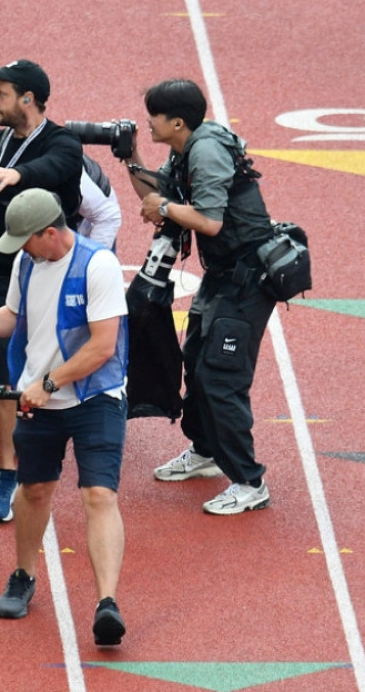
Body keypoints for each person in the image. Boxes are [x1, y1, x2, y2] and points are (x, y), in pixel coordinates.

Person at [0, 188, 129, 645]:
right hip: (41, 400)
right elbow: (14, 315)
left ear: (50, 232)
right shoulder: (29, 263)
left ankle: (107, 603)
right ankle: (23, 575)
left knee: (99, 495)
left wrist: (48, 383)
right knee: (34, 490)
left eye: (26, 240)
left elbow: (103, 346)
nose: (20, 249)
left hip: (94, 398)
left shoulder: (98, 265)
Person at [125, 78, 276, 515]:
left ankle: (250, 481)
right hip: (223, 276)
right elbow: (159, 196)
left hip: (247, 281)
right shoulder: (184, 145)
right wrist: (131, 158)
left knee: (220, 377)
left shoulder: (206, 151)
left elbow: (207, 221)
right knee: (195, 357)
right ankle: (206, 450)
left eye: (153, 115)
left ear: (176, 121)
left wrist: (166, 210)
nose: (147, 121)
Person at [0, 59, 83, 523]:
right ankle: (8, 472)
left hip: (56, 273)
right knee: (2, 368)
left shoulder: (64, 142)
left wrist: (19, 176)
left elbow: (56, 165)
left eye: (2, 93)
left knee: (63, 361)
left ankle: (73, 441)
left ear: (28, 98)